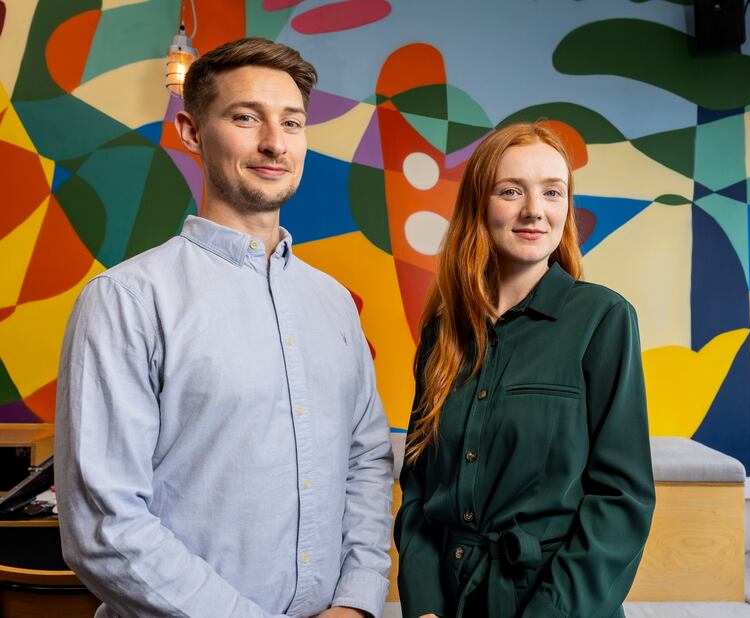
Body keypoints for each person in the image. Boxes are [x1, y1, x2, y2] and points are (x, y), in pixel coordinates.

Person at [55, 37, 393, 618]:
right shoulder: (127, 302)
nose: (274, 143)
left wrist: (357, 603)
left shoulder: (335, 304)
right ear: (190, 132)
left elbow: (366, 463)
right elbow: (105, 526)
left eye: (292, 122)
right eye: (245, 117)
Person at [394, 122, 655, 618]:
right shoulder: (443, 331)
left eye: (552, 192)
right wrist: (425, 605)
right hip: (447, 601)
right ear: (479, 204)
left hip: (558, 604)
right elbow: (419, 487)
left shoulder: (603, 319)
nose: (535, 210)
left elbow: (622, 499)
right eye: (511, 191)